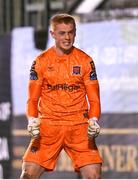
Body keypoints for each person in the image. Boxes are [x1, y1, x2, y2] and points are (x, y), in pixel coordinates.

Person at [20, 13, 103, 179]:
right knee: (27, 175)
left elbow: (94, 99)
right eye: (62, 33)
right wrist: (32, 120)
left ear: (75, 32)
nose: (67, 37)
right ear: (52, 34)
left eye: (71, 32)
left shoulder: (85, 61)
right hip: (49, 126)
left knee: (94, 176)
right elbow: (32, 100)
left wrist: (93, 120)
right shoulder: (41, 62)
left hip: (79, 126)